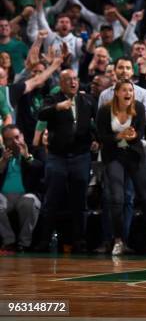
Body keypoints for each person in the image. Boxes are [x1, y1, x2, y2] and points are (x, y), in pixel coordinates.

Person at [97, 79, 146, 256]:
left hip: (134, 155)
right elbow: (102, 136)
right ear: (116, 92)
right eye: (124, 90)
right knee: (117, 198)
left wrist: (132, 136)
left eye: (130, 90)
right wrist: (119, 135)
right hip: (114, 156)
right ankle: (118, 240)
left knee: (145, 196)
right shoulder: (104, 111)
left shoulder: (138, 108)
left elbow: (140, 133)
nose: (128, 93)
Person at [36, 69, 97, 252]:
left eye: (75, 79)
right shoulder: (53, 99)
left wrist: (95, 139)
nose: (73, 82)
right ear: (60, 83)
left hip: (80, 156)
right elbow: (41, 114)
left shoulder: (87, 100)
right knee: (52, 200)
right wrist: (57, 108)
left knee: (79, 201)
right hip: (57, 157)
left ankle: (79, 241)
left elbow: (94, 124)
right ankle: (44, 240)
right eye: (68, 79)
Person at [0, 125, 44, 251]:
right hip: (4, 196)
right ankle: (9, 240)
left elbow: (41, 169)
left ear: (22, 136)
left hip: (26, 194)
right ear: (4, 141)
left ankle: (24, 243)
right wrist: (2, 163)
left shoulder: (34, 151)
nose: (14, 142)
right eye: (9, 139)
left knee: (29, 202)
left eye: (17, 137)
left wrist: (27, 156)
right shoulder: (2, 154)